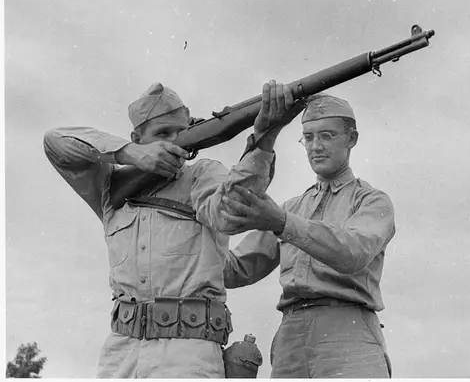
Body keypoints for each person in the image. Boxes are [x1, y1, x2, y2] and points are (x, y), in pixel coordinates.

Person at [43, 80, 303, 378]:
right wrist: (128, 154)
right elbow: (55, 141)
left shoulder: (203, 174)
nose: (174, 140)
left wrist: (265, 135)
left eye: (182, 131)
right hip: (121, 354)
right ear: (137, 138)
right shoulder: (111, 184)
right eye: (162, 133)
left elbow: (230, 212)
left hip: (189, 353)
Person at [221, 94, 396, 378]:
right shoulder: (290, 208)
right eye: (308, 137)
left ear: (352, 138)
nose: (316, 147)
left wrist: (281, 223)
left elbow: (353, 252)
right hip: (291, 337)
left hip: (349, 334)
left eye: (327, 136)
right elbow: (235, 269)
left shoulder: (372, 201)